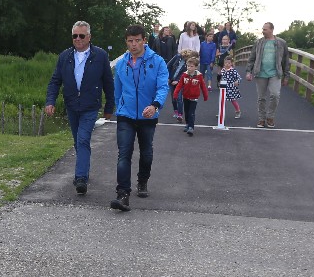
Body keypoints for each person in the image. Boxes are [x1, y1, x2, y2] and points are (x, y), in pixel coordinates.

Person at [45, 21, 115, 195]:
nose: (77, 39)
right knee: (78, 141)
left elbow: (108, 82)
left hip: (90, 106)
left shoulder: (100, 56)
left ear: (89, 37)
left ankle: (81, 178)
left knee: (83, 139)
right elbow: (55, 81)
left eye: (81, 35)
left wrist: (109, 107)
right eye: (74, 36)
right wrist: (50, 101)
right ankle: (84, 169)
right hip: (71, 105)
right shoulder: (65, 56)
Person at [109, 24, 169, 212]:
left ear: (144, 40)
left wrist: (155, 105)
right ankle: (123, 194)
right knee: (124, 153)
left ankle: (142, 181)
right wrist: (119, 108)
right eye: (130, 41)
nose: (133, 44)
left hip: (148, 115)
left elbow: (163, 87)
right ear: (126, 42)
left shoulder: (157, 61)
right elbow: (117, 91)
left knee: (146, 152)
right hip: (125, 115)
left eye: (137, 40)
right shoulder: (121, 64)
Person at [245, 22, 291, 128]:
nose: (263, 31)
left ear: (271, 30)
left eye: (265, 29)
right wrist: (248, 71)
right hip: (260, 73)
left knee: (275, 95)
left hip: (275, 73)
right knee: (261, 98)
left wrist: (286, 75)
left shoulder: (281, 43)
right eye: (263, 29)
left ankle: (270, 117)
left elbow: (285, 60)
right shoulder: (258, 42)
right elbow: (252, 58)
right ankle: (261, 118)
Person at [171, 62, 209, 135]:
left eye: (191, 66)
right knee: (186, 112)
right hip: (185, 96)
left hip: (194, 98)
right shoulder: (184, 75)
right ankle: (187, 124)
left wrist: (205, 96)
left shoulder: (199, 76)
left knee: (191, 113)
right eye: (188, 66)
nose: (189, 68)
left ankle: (191, 127)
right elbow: (179, 85)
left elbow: (203, 86)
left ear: (195, 67)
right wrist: (175, 94)